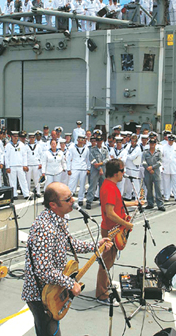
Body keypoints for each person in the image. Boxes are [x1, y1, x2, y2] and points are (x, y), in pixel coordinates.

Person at [22, 182, 112, 335]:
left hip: (53, 287)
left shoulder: (59, 219)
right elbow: (43, 270)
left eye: (72, 196)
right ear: (53, 204)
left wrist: (96, 245)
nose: (73, 201)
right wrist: (70, 283)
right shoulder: (44, 229)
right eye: (68, 199)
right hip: (41, 294)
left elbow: (70, 243)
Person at [96, 159, 136, 304]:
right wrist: (126, 224)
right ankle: (102, 294)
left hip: (112, 228)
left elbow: (117, 203)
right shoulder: (110, 188)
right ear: (116, 172)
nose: (123, 174)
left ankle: (105, 285)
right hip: (111, 230)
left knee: (109, 260)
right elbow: (110, 213)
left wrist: (134, 203)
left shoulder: (110, 186)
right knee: (106, 262)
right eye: (122, 171)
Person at [5, 131, 30, 199]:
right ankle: (14, 194)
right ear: (11, 137)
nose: (15, 138)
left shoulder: (21, 145)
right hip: (12, 166)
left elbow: (24, 155)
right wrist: (7, 167)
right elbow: (6, 157)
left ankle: (26, 194)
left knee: (23, 181)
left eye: (16, 136)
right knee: (12, 181)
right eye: (14, 136)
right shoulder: (8, 145)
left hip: (20, 166)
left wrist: (25, 165)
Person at [86, 136, 108, 209]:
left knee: (103, 186)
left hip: (104, 169)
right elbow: (92, 160)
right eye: (97, 141)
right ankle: (89, 201)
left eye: (100, 141)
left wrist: (101, 164)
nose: (99, 142)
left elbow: (107, 159)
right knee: (92, 186)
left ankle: (102, 201)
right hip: (95, 170)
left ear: (102, 141)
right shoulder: (92, 149)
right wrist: (99, 168)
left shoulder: (105, 149)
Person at [67, 135, 90, 206]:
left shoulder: (86, 148)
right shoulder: (72, 148)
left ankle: (80, 199)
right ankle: (69, 197)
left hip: (83, 168)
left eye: (82, 139)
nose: (81, 141)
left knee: (82, 185)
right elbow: (68, 159)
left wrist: (88, 168)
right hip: (74, 167)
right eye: (79, 139)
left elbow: (88, 159)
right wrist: (68, 169)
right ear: (77, 140)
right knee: (72, 183)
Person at [142, 138, 165, 210]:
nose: (152, 144)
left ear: (155, 144)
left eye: (153, 143)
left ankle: (160, 205)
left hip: (156, 172)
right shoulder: (145, 152)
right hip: (147, 172)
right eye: (151, 143)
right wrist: (148, 168)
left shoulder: (158, 152)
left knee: (158, 188)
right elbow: (143, 161)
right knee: (149, 188)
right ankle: (150, 203)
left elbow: (160, 162)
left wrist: (152, 167)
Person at [161, 134, 176, 202]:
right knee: (166, 182)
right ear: (167, 140)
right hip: (166, 166)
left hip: (174, 167)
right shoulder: (164, 147)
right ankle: (167, 196)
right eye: (169, 140)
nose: (170, 142)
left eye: (172, 140)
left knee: (175, 182)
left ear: (174, 140)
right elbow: (161, 157)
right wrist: (161, 166)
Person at [123, 134, 142, 200]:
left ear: (136, 141)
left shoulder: (138, 148)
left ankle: (137, 196)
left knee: (135, 183)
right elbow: (124, 152)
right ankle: (128, 196)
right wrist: (127, 155)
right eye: (131, 141)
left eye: (134, 141)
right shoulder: (128, 146)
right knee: (128, 183)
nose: (132, 142)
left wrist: (126, 156)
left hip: (134, 168)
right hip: (128, 166)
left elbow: (132, 157)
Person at [26, 133, 43, 197]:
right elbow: (25, 156)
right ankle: (28, 192)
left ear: (34, 138)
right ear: (28, 138)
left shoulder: (38, 146)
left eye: (33, 137)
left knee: (37, 179)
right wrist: (25, 165)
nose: (32, 139)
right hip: (29, 164)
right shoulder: (26, 146)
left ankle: (38, 192)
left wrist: (40, 163)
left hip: (36, 164)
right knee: (28, 179)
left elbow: (41, 155)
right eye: (30, 137)